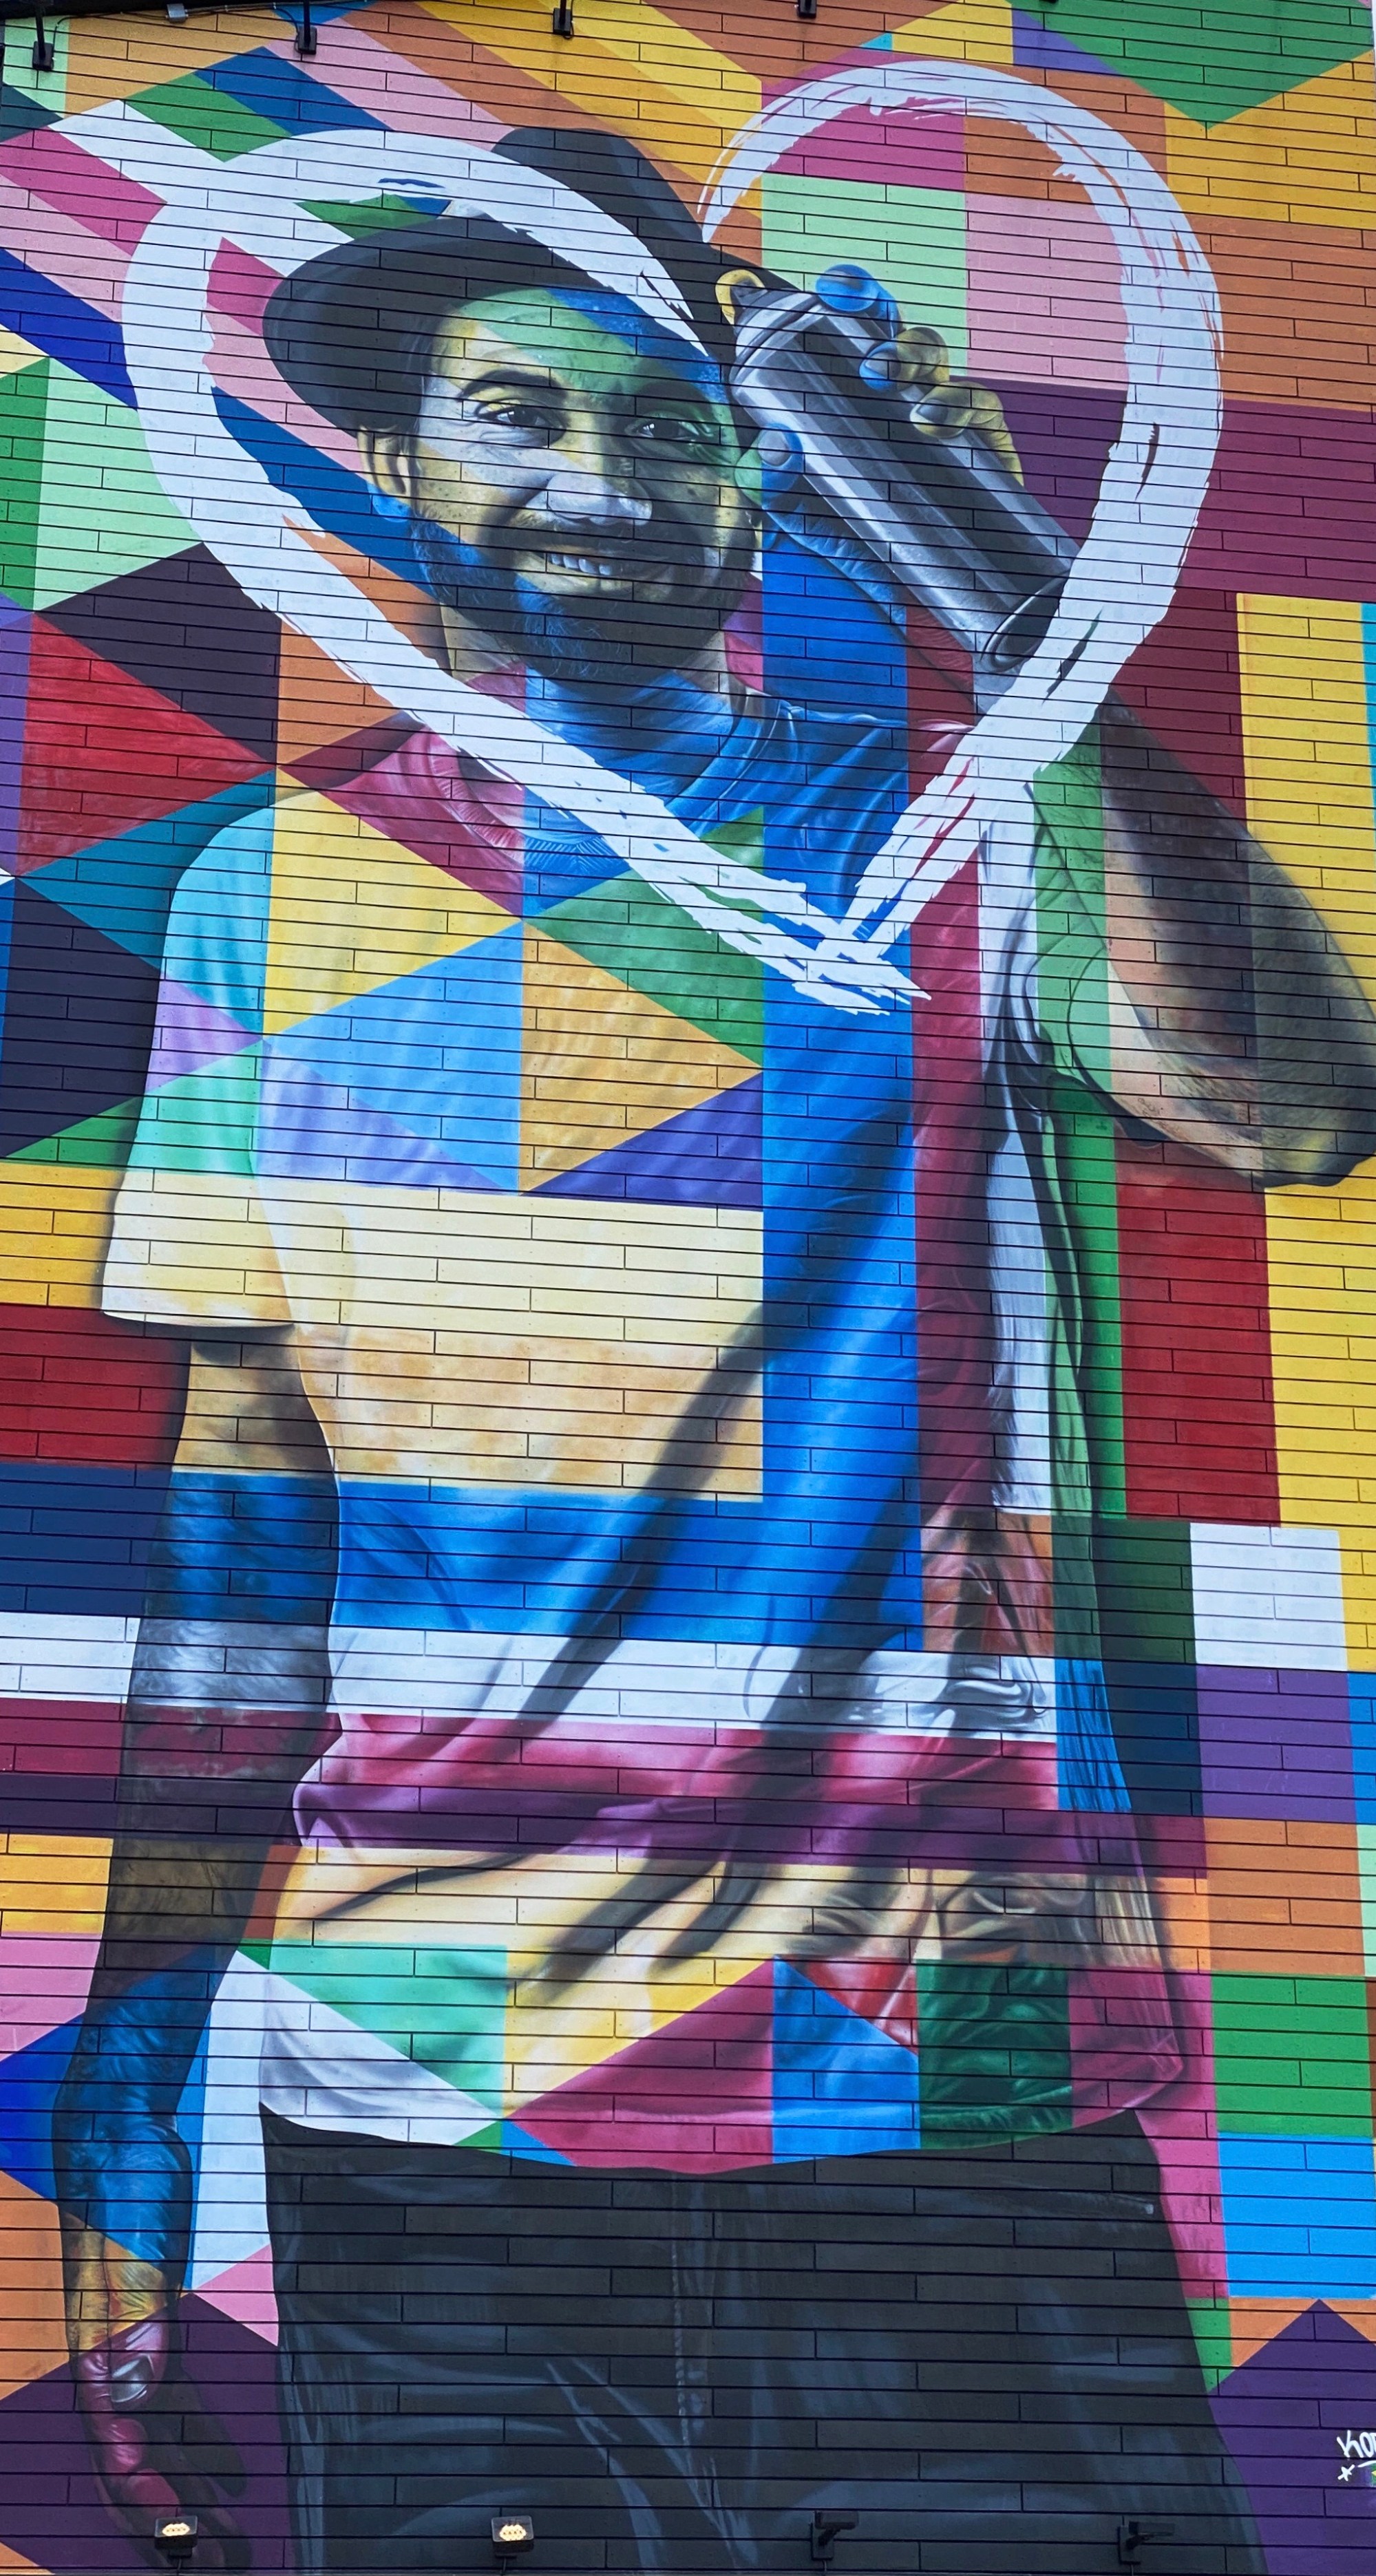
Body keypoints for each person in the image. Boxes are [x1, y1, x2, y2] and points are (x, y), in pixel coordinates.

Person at [53, 125, 1376, 2576]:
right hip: (429, 2097)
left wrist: (993, 567)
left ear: (769, 483)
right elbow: (246, 1531)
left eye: (675, 422)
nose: (602, 479)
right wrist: (130, 2096)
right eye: (518, 410)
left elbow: (1289, 1106)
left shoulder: (954, 840)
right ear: (393, 463)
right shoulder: (267, 891)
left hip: (943, 2082)